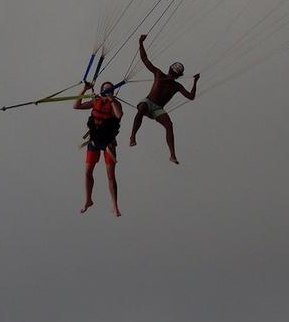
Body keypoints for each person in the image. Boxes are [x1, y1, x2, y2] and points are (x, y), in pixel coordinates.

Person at [128, 33, 199, 164]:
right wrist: (141, 43)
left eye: (175, 73)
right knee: (142, 108)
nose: (172, 74)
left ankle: (172, 154)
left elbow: (191, 97)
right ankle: (132, 136)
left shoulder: (177, 86)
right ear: (169, 69)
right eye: (172, 71)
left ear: (178, 75)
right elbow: (145, 59)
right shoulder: (159, 74)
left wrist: (195, 82)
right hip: (148, 102)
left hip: (158, 109)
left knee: (169, 125)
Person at [74, 80, 123, 216]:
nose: (107, 92)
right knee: (88, 172)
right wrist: (84, 89)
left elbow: (118, 115)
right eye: (105, 90)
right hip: (94, 142)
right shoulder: (96, 101)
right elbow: (76, 106)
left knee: (110, 175)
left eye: (110, 90)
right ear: (101, 91)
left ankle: (114, 204)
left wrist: (112, 100)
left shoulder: (116, 104)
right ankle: (88, 200)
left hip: (108, 143)